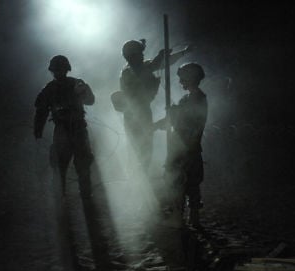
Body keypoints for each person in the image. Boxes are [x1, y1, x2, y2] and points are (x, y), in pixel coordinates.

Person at [113, 39, 192, 172]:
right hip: (133, 115)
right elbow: (150, 67)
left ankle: (141, 177)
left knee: (146, 147)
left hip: (143, 111)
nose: (143, 55)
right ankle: (136, 180)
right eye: (140, 53)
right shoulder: (128, 72)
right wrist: (160, 56)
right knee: (137, 148)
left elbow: (162, 63)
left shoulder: (141, 66)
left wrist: (183, 52)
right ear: (132, 56)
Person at [34, 55, 95, 200]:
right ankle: (60, 195)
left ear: (66, 69)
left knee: (83, 163)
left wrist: (85, 91)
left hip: (78, 128)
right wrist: (38, 128)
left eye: (60, 69)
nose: (58, 72)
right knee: (60, 164)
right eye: (56, 70)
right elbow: (41, 110)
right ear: (53, 71)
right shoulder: (50, 89)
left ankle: (85, 194)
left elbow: (91, 101)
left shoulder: (76, 84)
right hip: (62, 130)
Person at [154, 63, 207, 227]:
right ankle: (182, 215)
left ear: (191, 78)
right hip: (180, 146)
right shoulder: (188, 98)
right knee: (180, 182)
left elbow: (189, 121)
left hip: (188, 147)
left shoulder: (197, 98)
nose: (180, 82)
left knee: (188, 182)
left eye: (182, 78)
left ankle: (191, 217)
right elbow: (174, 120)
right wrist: (156, 125)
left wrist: (174, 114)